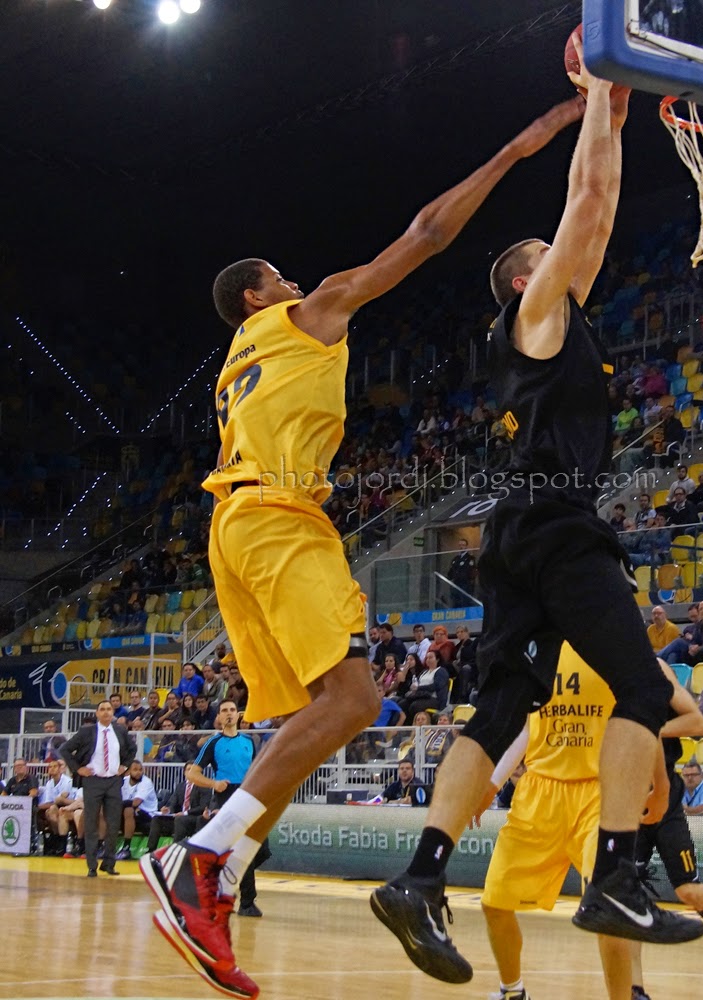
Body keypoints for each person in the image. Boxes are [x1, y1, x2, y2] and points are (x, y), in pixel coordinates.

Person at [139, 94, 586, 997]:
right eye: (281, 277)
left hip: (236, 524)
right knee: (355, 700)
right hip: (277, 517)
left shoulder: (241, 357)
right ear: (257, 296)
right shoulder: (306, 317)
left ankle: (214, 875)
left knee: (321, 713)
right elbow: (425, 235)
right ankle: (201, 857)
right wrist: (519, 146)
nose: (297, 282)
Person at [372, 74, 703, 984]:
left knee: (500, 706)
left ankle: (419, 877)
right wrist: (598, 94)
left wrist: (615, 120)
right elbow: (587, 201)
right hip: (557, 527)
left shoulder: (548, 329)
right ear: (528, 278)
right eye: (550, 254)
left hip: (513, 533)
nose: (571, 254)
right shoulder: (535, 314)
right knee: (644, 692)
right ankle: (619, 877)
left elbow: (596, 213)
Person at [476, 647, 703, 1000]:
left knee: (609, 909)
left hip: (601, 792)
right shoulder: (536, 646)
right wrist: (492, 783)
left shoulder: (616, 645)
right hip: (540, 793)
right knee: (493, 903)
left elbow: (644, 722)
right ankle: (513, 991)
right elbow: (525, 727)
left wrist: (660, 784)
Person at [180, 700, 270, 920]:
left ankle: (226, 877)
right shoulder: (213, 742)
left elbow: (255, 769)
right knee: (243, 847)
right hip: (225, 797)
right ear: (219, 717)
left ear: (238, 715)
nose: (228, 714)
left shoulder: (249, 741)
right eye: (224, 711)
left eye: (232, 710)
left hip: (247, 794)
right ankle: (247, 902)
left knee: (261, 849)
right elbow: (192, 773)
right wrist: (213, 784)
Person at [60, 700, 135, 877]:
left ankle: (109, 863)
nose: (106, 712)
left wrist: (125, 765)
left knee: (113, 823)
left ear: (113, 712)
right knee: (91, 822)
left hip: (113, 781)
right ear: (97, 713)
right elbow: (65, 749)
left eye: (109, 709)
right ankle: (92, 865)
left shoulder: (120, 730)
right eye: (102, 709)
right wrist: (78, 769)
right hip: (93, 781)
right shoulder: (87, 731)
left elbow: (133, 749)